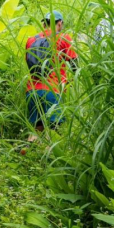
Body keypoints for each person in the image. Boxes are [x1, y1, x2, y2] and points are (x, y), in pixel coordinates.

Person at [26, 11, 77, 142]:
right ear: (59, 24)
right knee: (53, 131)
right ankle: (48, 159)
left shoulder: (31, 40)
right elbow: (75, 64)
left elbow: (30, 63)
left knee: (37, 127)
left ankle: (28, 148)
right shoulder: (64, 38)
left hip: (32, 90)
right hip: (52, 89)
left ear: (44, 24)